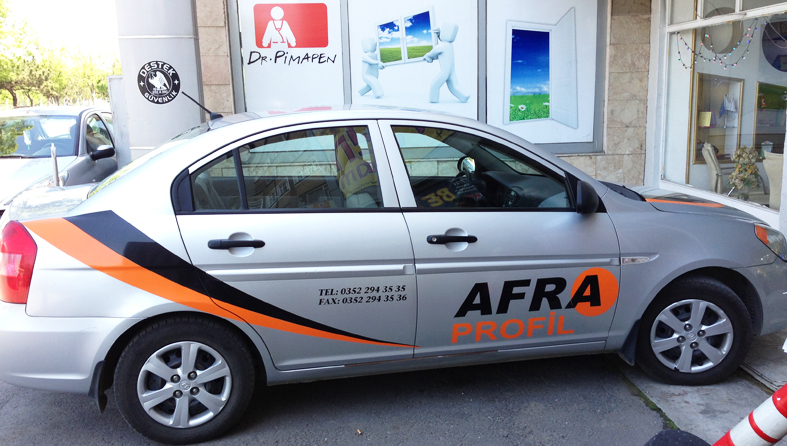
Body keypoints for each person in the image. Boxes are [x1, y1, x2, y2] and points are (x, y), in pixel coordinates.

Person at [423, 22, 469, 103]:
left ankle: (433, 100)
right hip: (451, 71)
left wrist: (428, 56)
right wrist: (438, 34)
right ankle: (464, 97)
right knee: (454, 86)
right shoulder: (450, 45)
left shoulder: (442, 46)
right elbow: (442, 44)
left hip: (445, 72)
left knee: (434, 85)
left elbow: (434, 52)